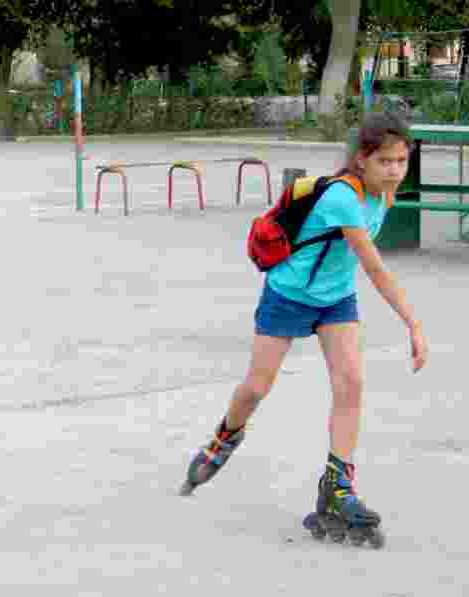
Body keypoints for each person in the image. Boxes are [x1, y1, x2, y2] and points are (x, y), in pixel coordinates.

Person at [179, 112, 428, 548]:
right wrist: (414, 324)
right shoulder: (344, 199)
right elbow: (374, 267)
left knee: (351, 383)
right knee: (256, 388)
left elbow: (355, 267)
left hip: (335, 299)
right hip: (288, 294)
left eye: (401, 161)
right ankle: (224, 437)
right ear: (361, 160)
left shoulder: (383, 197)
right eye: (385, 161)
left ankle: (338, 486)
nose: (394, 170)